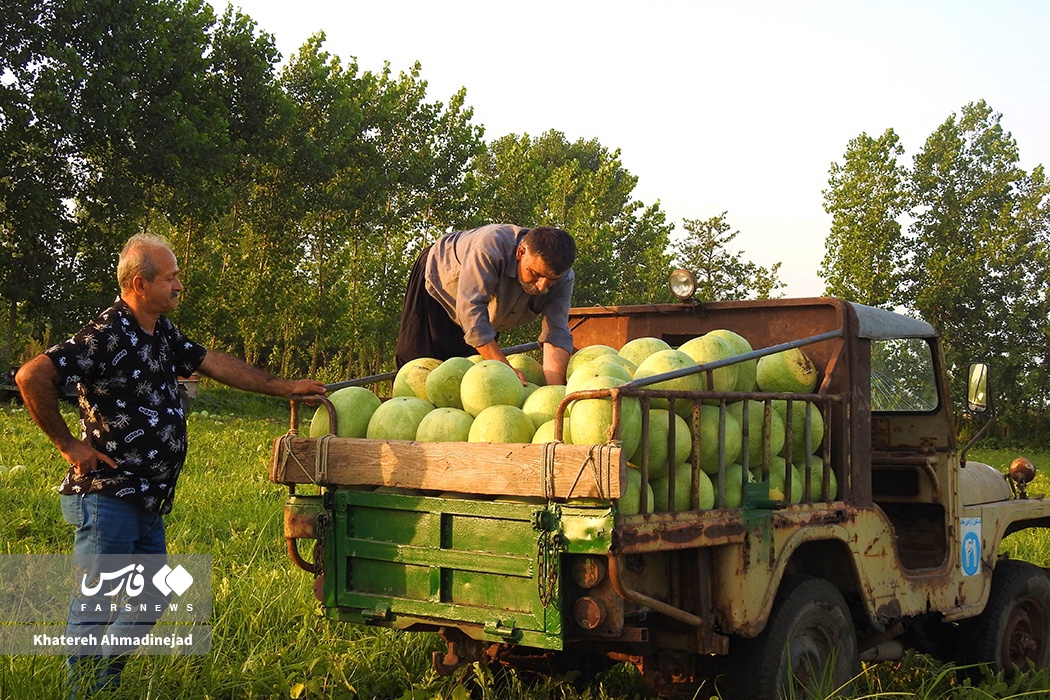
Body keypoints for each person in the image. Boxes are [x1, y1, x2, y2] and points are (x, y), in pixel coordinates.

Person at [15, 233, 325, 697]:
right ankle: (83, 691)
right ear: (140, 283)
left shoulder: (160, 331)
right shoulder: (105, 334)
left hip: (148, 497)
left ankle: (105, 681)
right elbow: (31, 375)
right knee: (94, 603)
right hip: (108, 495)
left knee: (153, 596)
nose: (180, 283)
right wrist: (69, 445)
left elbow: (213, 362)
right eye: (171, 276)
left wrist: (284, 387)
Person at [395, 224, 577, 385]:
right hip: (439, 281)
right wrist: (506, 371)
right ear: (520, 253)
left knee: (472, 374)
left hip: (485, 310)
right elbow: (471, 310)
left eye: (551, 279)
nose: (542, 286)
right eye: (536, 274)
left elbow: (557, 334)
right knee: (417, 364)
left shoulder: (564, 279)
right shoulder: (490, 249)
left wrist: (555, 394)